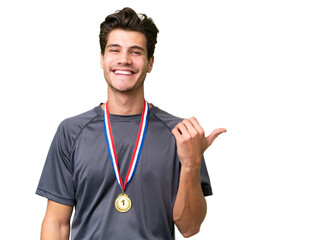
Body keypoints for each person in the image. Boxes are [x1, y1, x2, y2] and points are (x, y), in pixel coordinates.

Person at [36, 7, 226, 240]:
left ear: (150, 63)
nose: (124, 60)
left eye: (136, 52)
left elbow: (189, 227)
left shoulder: (181, 134)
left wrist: (191, 163)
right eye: (114, 50)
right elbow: (57, 223)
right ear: (102, 59)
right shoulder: (71, 131)